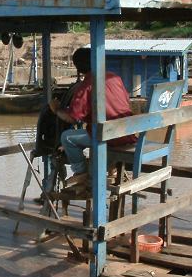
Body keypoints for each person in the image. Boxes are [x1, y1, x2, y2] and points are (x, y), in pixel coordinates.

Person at [49, 47, 136, 182]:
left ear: (78, 68)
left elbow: (73, 118)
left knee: (67, 137)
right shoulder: (115, 77)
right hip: (127, 133)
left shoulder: (86, 86)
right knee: (94, 131)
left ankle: (80, 172)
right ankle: (112, 167)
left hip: (109, 137)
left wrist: (56, 110)